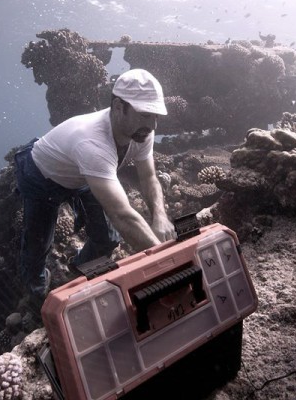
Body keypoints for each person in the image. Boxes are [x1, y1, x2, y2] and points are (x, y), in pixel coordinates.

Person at [13, 68, 177, 299]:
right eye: (145, 115)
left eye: (156, 116)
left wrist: (159, 216)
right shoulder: (92, 143)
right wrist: (165, 263)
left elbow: (149, 177)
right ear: (119, 107)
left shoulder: (141, 132)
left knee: (107, 239)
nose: (153, 125)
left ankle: (77, 272)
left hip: (83, 176)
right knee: (38, 247)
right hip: (41, 175)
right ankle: (36, 293)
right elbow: (122, 215)